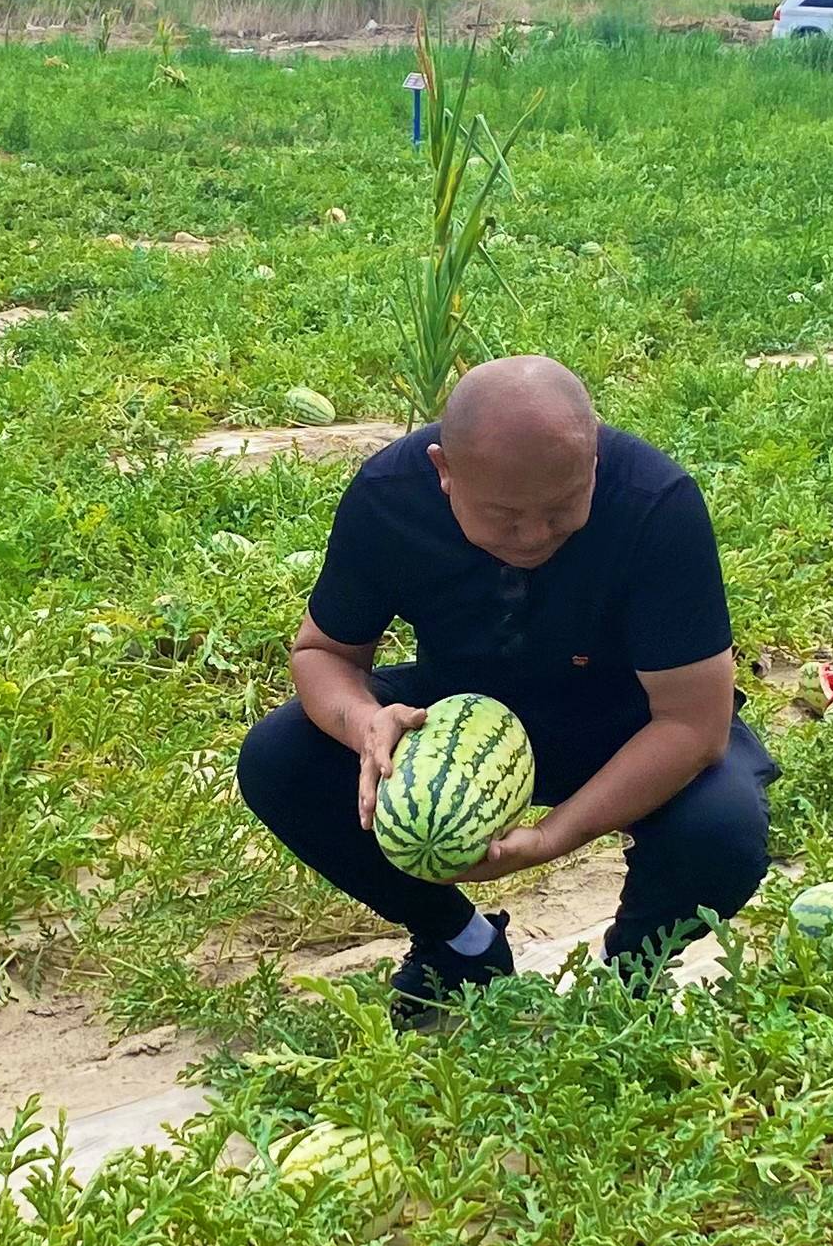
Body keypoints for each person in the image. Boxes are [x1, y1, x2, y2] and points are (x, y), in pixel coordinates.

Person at [237, 354, 772, 1016]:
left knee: (721, 827)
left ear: (593, 465)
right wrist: (363, 722)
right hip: (456, 720)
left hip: (625, 727)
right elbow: (322, 653)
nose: (534, 534)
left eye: (559, 509)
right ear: (444, 473)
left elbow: (692, 725)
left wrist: (552, 838)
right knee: (280, 757)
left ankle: (629, 976)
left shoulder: (654, 503)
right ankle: (458, 945)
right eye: (503, 516)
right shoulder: (388, 496)